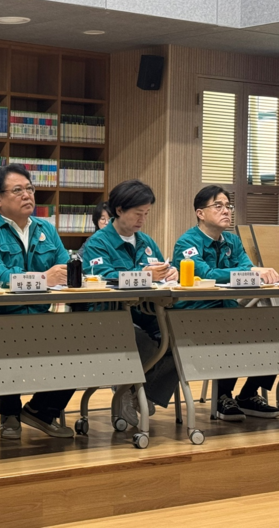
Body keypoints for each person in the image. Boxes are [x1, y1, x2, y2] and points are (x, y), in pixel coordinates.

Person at [0, 163, 74, 440]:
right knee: (8, 336)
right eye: (17, 190)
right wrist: (43, 279)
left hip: (37, 315)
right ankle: (9, 412)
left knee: (82, 341)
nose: (27, 195)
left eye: (30, 189)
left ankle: (40, 410)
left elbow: (65, 269)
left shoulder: (45, 229)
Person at [173, 185, 279, 420]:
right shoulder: (187, 243)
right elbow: (205, 274)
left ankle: (248, 395)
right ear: (200, 213)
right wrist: (249, 271)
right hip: (194, 313)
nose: (226, 211)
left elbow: (246, 267)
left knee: (274, 329)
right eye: (218, 206)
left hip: (227, 308)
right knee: (231, 330)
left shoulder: (232, 240)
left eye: (228, 206)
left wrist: (250, 271)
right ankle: (222, 396)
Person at [81, 179, 180, 427]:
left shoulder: (146, 242)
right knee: (139, 340)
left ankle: (139, 391)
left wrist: (170, 273)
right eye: (138, 213)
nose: (142, 219)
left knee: (179, 337)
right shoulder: (98, 243)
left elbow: (159, 270)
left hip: (145, 312)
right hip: (109, 314)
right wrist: (144, 275)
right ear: (119, 210)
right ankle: (126, 389)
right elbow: (101, 277)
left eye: (146, 213)